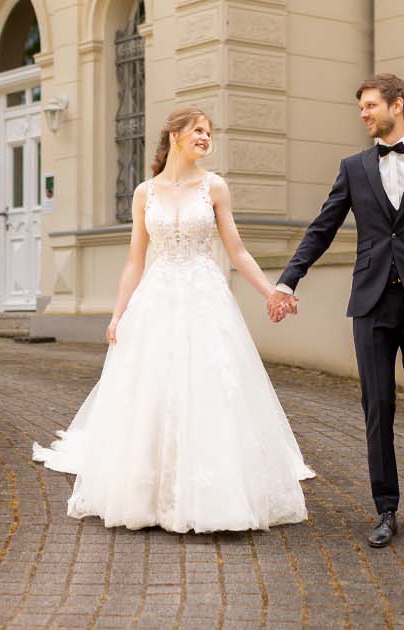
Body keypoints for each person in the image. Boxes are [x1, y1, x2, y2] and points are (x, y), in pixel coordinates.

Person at [32, 106, 315, 533]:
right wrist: (118, 313)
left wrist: (271, 290)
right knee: (154, 390)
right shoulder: (145, 192)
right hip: (157, 301)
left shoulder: (215, 187)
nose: (205, 137)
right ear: (175, 135)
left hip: (205, 301)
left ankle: (213, 494)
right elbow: (134, 260)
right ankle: (149, 494)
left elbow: (236, 251)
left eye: (209, 132)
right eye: (198, 130)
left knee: (209, 389)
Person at [269, 74, 404, 548]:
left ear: (397, 105)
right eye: (361, 108)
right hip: (372, 303)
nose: (364, 114)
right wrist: (289, 277)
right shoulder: (354, 168)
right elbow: (323, 227)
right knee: (377, 406)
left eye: (371, 106)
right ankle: (386, 507)